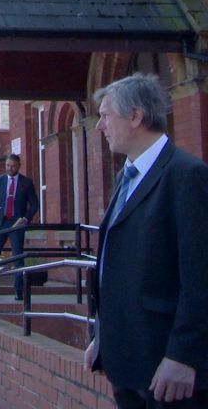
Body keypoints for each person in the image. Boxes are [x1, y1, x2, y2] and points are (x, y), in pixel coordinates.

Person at [84, 73, 208, 408]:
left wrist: (184, 355)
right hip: (127, 363)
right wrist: (102, 336)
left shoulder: (186, 175)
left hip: (168, 370)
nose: (99, 126)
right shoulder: (127, 176)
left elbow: (200, 277)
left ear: (136, 116)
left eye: (106, 115)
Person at [0, 153, 39, 300]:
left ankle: (19, 290)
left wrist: (26, 218)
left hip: (17, 223)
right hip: (0, 222)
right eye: (8, 165)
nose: (10, 168)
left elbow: (35, 204)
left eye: (13, 166)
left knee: (17, 257)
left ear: (18, 166)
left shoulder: (26, 183)